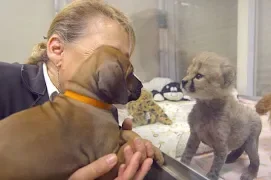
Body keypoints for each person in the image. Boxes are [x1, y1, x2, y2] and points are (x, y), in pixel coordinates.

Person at [0, 0, 155, 179]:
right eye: (107, 56)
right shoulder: (4, 82)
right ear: (57, 49)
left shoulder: (101, 109)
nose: (115, 73)